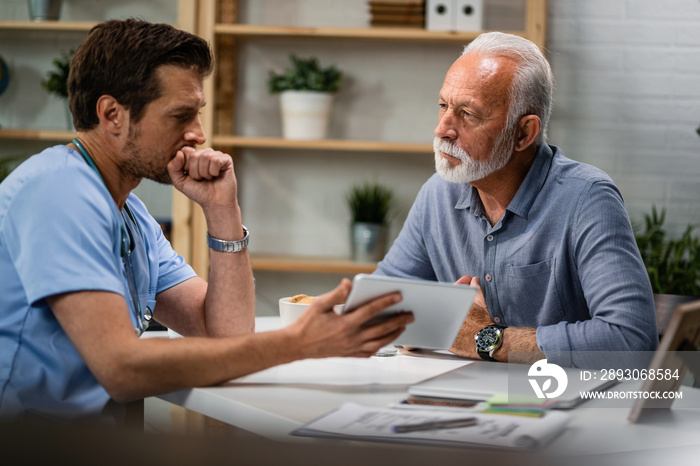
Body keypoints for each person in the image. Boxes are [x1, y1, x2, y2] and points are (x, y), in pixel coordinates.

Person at [0, 19, 413, 423]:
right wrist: (297, 343)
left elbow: (228, 337)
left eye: (197, 114)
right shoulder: (59, 192)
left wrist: (222, 212)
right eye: (181, 116)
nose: (198, 134)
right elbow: (121, 368)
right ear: (112, 115)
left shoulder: (131, 215)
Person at [376, 32, 657, 367]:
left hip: (561, 404)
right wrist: (424, 323)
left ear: (524, 133)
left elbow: (631, 340)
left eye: (468, 114)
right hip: (462, 398)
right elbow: (378, 303)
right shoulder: (438, 194)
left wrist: (486, 339)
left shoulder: (588, 198)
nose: (443, 129)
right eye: (443, 106)